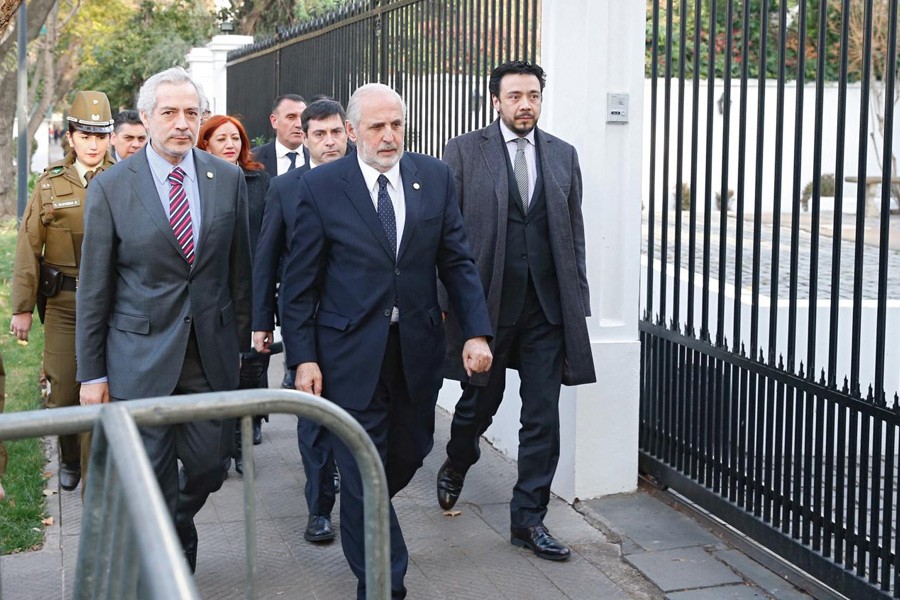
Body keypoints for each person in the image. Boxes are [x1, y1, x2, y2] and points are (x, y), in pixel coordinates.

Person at [277, 83, 493, 599]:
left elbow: (458, 261)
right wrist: (303, 358)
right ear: (353, 132)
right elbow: (300, 283)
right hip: (347, 356)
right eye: (377, 126)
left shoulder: (433, 177)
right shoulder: (322, 186)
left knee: (410, 452)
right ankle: (384, 585)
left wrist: (476, 331)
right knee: (363, 471)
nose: (389, 135)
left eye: (396, 124)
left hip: (415, 351)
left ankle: (357, 507)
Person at [76, 67, 252, 574]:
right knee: (150, 476)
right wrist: (92, 373)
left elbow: (239, 273)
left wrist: (240, 347)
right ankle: (168, 562)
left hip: (209, 357)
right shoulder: (112, 187)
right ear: (146, 117)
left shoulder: (227, 179)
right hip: (139, 358)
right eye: (169, 112)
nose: (181, 123)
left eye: (191, 113)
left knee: (209, 467)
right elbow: (95, 289)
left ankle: (176, 522)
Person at [436, 60, 596, 562]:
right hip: (488, 306)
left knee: (542, 418)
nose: (525, 105)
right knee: (477, 405)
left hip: (546, 310)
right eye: (515, 96)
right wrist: (449, 305)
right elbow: (446, 235)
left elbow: (573, 232)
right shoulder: (464, 151)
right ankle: (458, 458)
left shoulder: (563, 155)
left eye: (533, 96)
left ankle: (528, 520)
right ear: (496, 101)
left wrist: (578, 301)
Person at [252, 99, 349, 544]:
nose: (329, 142)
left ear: (347, 133)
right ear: (304, 139)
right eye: (319, 135)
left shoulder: (366, 179)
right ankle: (319, 509)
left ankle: (355, 484)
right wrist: (262, 322)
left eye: (335, 133)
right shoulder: (286, 188)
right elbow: (266, 258)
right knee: (312, 413)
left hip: (358, 320)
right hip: (305, 321)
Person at [10, 90, 116, 492]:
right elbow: (28, 246)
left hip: (113, 304)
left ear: (109, 138)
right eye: (84, 136)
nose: (93, 144)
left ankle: (94, 482)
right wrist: (22, 307)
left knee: (102, 394)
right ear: (70, 137)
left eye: (100, 136)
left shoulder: (124, 178)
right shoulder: (50, 184)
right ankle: (69, 455)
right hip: (65, 304)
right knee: (64, 394)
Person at [197, 114, 271, 473]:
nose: (230, 145)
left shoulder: (258, 180)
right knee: (216, 372)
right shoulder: (197, 180)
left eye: (236, 138)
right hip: (212, 290)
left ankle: (242, 447)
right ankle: (219, 446)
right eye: (222, 138)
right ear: (206, 144)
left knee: (249, 368)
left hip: (250, 286)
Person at [251, 94, 309, 176]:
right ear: (274, 121)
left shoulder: (318, 158)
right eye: (291, 117)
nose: (299, 124)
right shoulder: (253, 159)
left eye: (303, 118)